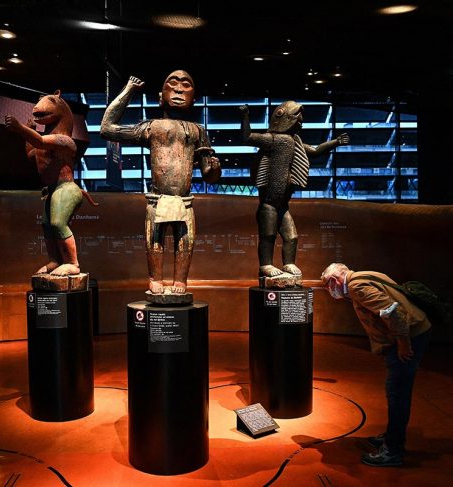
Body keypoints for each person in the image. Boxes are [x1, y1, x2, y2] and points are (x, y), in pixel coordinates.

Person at [100, 72, 221, 296]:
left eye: (186, 85)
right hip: (157, 199)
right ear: (160, 96)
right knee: (154, 239)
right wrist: (129, 90)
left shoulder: (197, 131)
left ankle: (180, 280)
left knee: (185, 240)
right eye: (172, 84)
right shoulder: (151, 127)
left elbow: (208, 175)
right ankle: (155, 278)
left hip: (184, 201)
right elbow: (107, 128)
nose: (178, 90)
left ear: (194, 98)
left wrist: (214, 168)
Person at [320, 262, 432, 467]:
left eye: (328, 286)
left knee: (397, 394)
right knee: (397, 392)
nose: (331, 292)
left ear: (335, 281)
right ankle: (391, 436)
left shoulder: (356, 287)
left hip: (409, 337)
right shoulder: (365, 275)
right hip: (416, 330)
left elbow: (392, 311)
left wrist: (404, 343)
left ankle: (393, 451)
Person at [240, 102, 348, 281]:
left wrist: (335, 142)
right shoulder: (272, 140)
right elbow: (247, 137)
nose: (301, 122)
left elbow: (314, 151)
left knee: (292, 237)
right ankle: (265, 265)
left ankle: (288, 263)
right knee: (268, 235)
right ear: (285, 119)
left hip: (282, 205)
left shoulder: (294, 142)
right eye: (298, 118)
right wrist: (245, 116)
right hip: (269, 204)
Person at [5, 91, 97, 276]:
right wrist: (27, 135)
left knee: (57, 223)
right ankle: (55, 260)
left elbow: (39, 141)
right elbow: (32, 152)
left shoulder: (65, 140)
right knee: (47, 225)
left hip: (66, 188)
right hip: (53, 190)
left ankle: (73, 263)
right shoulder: (46, 144)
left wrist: (21, 128)